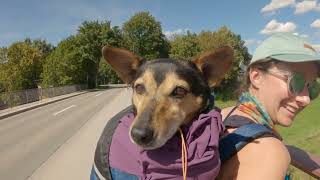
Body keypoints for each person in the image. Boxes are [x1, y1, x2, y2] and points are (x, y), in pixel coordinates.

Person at [217, 33, 320, 180]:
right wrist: (276, 149)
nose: (306, 99)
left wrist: (287, 149)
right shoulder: (269, 152)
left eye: (312, 87)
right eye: (295, 81)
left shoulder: (224, 115)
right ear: (256, 77)